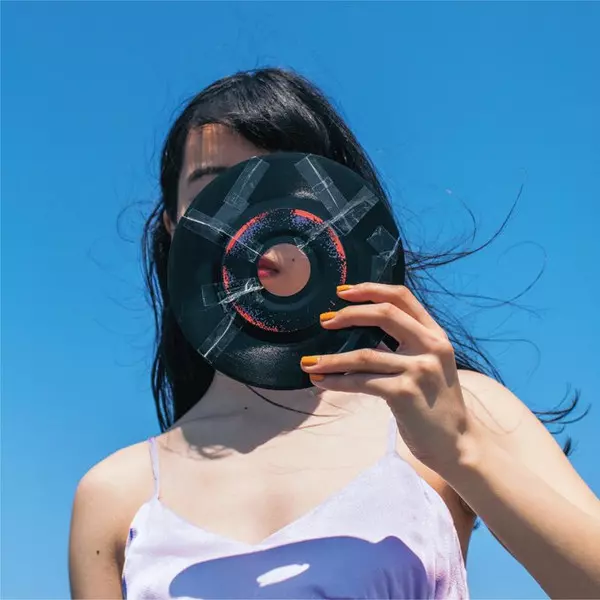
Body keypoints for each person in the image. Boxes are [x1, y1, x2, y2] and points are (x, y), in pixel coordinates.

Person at [68, 68, 600, 599]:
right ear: (174, 224)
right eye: (216, 188)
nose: (254, 215)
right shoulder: (117, 494)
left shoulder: (454, 407)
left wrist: (461, 450)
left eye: (279, 180)